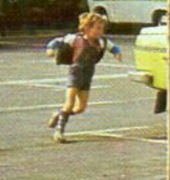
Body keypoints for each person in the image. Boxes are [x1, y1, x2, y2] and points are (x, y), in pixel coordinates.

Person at [45, 12, 122, 143]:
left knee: (80, 108)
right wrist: (51, 50)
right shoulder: (75, 39)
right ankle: (59, 131)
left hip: (87, 75)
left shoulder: (102, 42)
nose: (100, 32)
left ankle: (59, 114)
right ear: (86, 27)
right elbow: (56, 41)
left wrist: (117, 53)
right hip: (75, 73)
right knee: (69, 103)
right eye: (97, 28)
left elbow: (114, 47)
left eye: (102, 29)